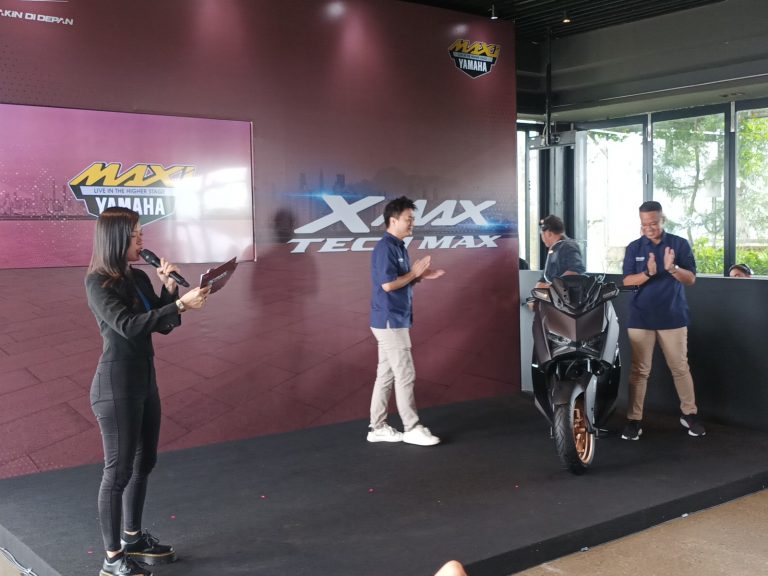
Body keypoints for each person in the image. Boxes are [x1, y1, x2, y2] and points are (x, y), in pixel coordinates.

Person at [86, 207, 210, 576]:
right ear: (116, 239)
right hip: (116, 385)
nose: (142, 240)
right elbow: (127, 325)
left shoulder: (138, 276)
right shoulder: (97, 282)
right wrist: (179, 304)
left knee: (145, 463)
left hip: (143, 380)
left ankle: (133, 539)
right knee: (118, 472)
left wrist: (170, 289)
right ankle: (112, 560)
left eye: (141, 233)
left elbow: (161, 323)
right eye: (136, 234)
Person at [620, 200, 705, 441]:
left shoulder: (679, 244)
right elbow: (627, 281)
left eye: (654, 223)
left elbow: (691, 279)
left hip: (673, 316)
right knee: (639, 371)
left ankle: (689, 414)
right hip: (641, 317)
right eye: (644, 224)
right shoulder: (634, 247)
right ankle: (634, 420)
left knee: (680, 367)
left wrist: (673, 268)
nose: (649, 228)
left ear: (662, 220)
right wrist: (648, 273)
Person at [367, 196, 445, 446]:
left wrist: (421, 276)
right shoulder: (385, 248)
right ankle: (411, 428)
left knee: (386, 374)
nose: (412, 223)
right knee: (405, 374)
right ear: (393, 220)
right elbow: (388, 285)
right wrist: (414, 273)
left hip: (395, 319)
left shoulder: (399, 246)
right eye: (408, 219)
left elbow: (401, 280)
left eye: (413, 218)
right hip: (390, 321)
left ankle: (377, 428)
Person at [535, 214, 585, 288]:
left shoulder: (568, 246)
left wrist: (553, 286)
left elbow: (575, 271)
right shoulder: (554, 250)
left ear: (548, 233)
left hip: (564, 294)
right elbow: (545, 278)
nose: (542, 237)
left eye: (542, 233)